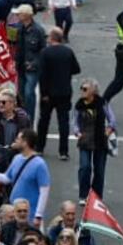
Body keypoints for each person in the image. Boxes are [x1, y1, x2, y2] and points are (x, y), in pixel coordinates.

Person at [35, 26, 80, 159]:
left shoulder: (45, 53)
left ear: (52, 38)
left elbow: (42, 75)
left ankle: (40, 147)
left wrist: (44, 93)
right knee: (63, 122)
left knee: (44, 121)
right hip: (64, 91)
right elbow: (76, 69)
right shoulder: (68, 52)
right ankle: (63, 151)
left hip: (49, 93)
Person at [74, 79, 113, 199]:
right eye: (82, 88)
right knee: (85, 167)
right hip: (85, 140)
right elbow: (75, 121)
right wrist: (77, 132)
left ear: (93, 91)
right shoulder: (79, 105)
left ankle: (96, 196)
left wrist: (109, 129)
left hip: (100, 140)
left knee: (99, 170)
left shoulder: (102, 103)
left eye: (85, 89)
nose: (82, 91)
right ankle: (83, 195)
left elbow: (112, 119)